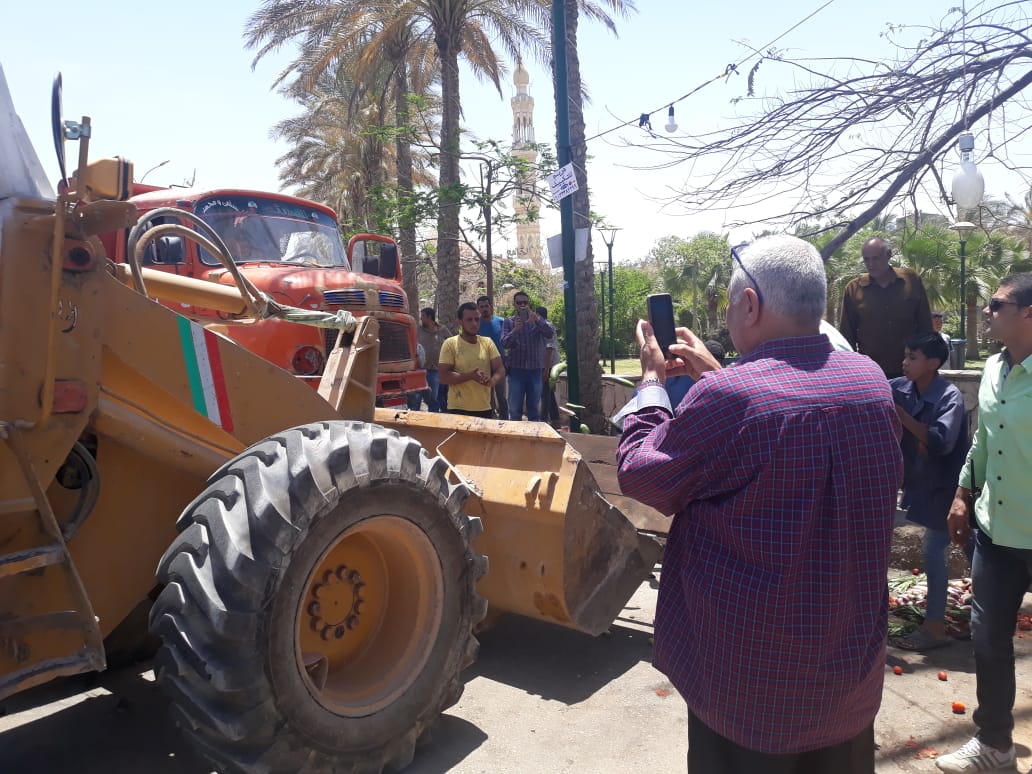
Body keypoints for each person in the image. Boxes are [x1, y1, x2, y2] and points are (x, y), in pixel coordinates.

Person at [616, 235, 902, 773]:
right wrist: (717, 370)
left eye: (729, 303)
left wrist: (651, 385)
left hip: (751, 686)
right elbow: (789, 409)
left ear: (750, 304)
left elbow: (641, 474)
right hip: (846, 681)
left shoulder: (729, 399)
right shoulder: (870, 382)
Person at [935, 273, 1032, 773]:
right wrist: (960, 494)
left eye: (997, 304)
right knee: (988, 639)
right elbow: (981, 439)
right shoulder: (993, 369)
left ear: (1029, 313)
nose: (987, 310)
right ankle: (994, 743)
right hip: (995, 531)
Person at [889, 332, 970, 652]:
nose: (905, 363)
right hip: (924, 484)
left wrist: (904, 419)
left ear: (934, 363)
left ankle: (935, 626)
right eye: (905, 356)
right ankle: (986, 615)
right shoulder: (900, 388)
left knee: (936, 550)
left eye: (913, 357)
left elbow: (940, 442)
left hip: (953, 487)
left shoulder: (949, 397)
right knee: (971, 548)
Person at [838, 236, 934, 378]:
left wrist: (928, 365)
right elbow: (847, 335)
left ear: (888, 255)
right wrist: (848, 372)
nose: (871, 264)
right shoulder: (854, 289)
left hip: (909, 371)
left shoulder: (911, 280)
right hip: (870, 372)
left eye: (875, 258)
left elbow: (925, 326)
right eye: (866, 259)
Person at [438, 302, 505, 418]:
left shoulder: (487, 342)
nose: (474, 323)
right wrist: (470, 376)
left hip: (484, 408)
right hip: (458, 409)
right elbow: (444, 377)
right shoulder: (450, 344)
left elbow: (500, 369)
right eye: (469, 320)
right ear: (460, 322)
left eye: (477, 319)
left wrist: (492, 381)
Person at [500, 291, 554, 421]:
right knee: (514, 409)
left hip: (534, 370)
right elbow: (504, 343)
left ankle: (534, 437)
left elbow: (549, 334)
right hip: (516, 370)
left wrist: (538, 320)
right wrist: (516, 330)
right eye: (519, 303)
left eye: (525, 302)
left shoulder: (536, 321)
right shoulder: (509, 322)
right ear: (514, 305)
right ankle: (515, 437)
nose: (522, 305)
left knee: (534, 409)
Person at [408, 307, 450, 412]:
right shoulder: (418, 330)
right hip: (419, 369)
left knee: (433, 397)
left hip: (435, 370)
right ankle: (415, 418)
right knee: (416, 397)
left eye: (423, 316)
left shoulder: (442, 330)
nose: (421, 319)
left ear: (430, 317)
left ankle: (433, 419)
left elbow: (452, 343)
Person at [477, 295, 508, 418]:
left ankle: (505, 420)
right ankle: (489, 418)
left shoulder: (501, 322)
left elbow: (507, 341)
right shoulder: (475, 324)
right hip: (483, 365)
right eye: (481, 307)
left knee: (501, 396)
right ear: (478, 308)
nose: (484, 309)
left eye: (486, 306)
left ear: (491, 307)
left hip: (499, 365)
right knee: (486, 395)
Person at [538, 306, 562, 428]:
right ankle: (555, 419)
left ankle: (543, 420)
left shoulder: (546, 327)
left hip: (548, 365)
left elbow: (549, 349)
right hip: (548, 364)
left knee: (545, 392)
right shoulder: (546, 325)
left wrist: (546, 370)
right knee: (549, 392)